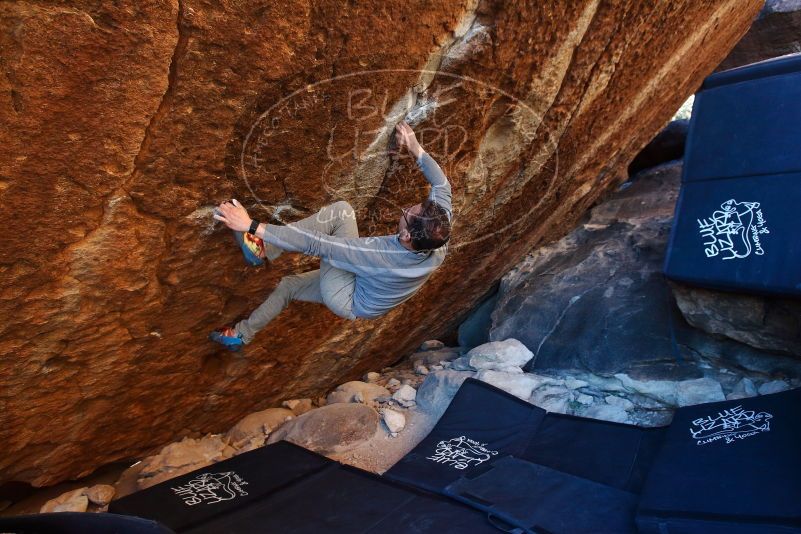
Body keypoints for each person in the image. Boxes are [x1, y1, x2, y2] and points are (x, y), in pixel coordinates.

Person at [209, 121, 452, 351]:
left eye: (409, 213)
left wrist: (251, 225)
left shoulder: (381, 255)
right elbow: (442, 186)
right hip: (366, 289)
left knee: (341, 212)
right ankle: (242, 334)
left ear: (407, 235)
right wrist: (414, 147)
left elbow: (318, 245)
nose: (409, 207)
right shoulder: (436, 232)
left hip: (347, 296)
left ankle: (262, 248)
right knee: (289, 286)